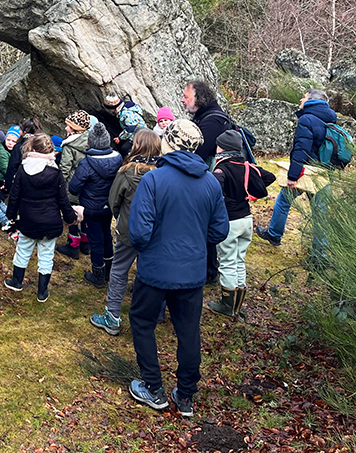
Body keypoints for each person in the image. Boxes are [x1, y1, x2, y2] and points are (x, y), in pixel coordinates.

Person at [127, 120, 229, 419]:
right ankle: (185, 396)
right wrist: (195, 244)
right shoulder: (210, 181)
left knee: (143, 322)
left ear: (168, 143)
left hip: (155, 269)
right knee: (188, 332)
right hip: (191, 273)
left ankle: (153, 388)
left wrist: (153, 249)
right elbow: (219, 230)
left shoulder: (154, 180)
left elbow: (139, 233)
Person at [90, 129, 160, 336]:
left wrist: (121, 218)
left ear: (136, 145)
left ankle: (112, 317)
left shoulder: (126, 172)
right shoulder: (164, 173)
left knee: (119, 271)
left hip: (130, 230)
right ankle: (157, 312)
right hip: (156, 232)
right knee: (151, 272)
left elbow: (114, 202)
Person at [255, 89, 337, 250]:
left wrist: (293, 175)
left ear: (311, 101)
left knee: (283, 201)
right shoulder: (331, 119)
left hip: (307, 172)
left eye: (304, 97)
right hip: (325, 172)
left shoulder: (307, 119)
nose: (301, 99)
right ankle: (321, 254)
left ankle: (274, 234)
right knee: (321, 214)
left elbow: (301, 149)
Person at [4, 133, 78, 303]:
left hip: (28, 220)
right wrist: (70, 219)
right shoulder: (56, 171)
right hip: (51, 221)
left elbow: (14, 196)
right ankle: (42, 292)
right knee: (46, 256)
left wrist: (11, 217)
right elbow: (63, 199)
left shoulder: (23, 169)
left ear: (32, 148)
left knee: (22, 251)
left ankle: (16, 282)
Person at [208, 130, 275, 318]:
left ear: (222, 148)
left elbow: (215, 187)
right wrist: (248, 192)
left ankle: (227, 305)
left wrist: (223, 200)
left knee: (227, 261)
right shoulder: (246, 166)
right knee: (239, 260)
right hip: (247, 219)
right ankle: (237, 304)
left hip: (230, 221)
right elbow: (270, 177)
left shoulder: (221, 168)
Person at [181, 80, 235, 284]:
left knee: (205, 224)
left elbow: (198, 153)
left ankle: (209, 271)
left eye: (186, 96)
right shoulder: (207, 117)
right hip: (211, 182)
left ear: (200, 98)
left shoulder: (212, 122)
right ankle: (207, 269)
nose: (182, 100)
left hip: (210, 184)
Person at [68, 122, 122, 288]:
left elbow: (74, 188)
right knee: (107, 235)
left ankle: (98, 274)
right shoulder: (118, 159)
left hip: (91, 208)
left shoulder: (87, 163)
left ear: (90, 143)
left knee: (95, 240)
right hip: (109, 206)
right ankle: (109, 272)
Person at [57, 110, 92, 260]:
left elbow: (64, 169)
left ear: (77, 129)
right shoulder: (91, 142)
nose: (66, 129)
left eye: (69, 126)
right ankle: (86, 243)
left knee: (71, 215)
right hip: (87, 186)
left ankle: (73, 245)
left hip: (71, 186)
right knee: (84, 214)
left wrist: (57, 187)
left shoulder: (70, 146)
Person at [103, 92, 149, 156]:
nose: (110, 111)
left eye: (110, 109)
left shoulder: (127, 113)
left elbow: (130, 129)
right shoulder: (123, 110)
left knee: (124, 148)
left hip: (140, 135)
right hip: (135, 133)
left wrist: (120, 138)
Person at [5, 118, 41, 191]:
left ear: (24, 132)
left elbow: (12, 167)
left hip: (21, 183)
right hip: (38, 182)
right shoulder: (40, 144)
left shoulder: (20, 147)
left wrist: (8, 186)